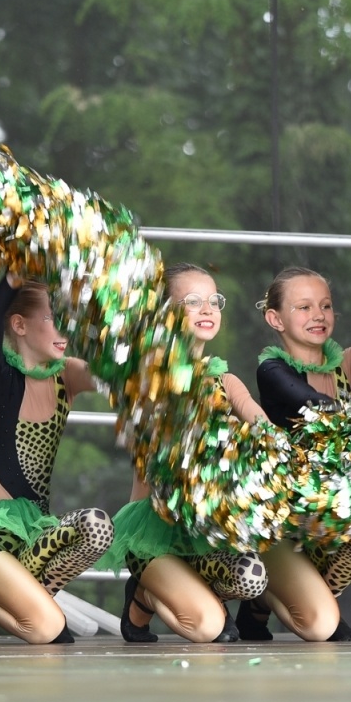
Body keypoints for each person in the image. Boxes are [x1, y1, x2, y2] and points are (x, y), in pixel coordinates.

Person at [0, 273, 114, 645]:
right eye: (54, 318)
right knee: (46, 629)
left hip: (35, 536)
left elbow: (119, 373)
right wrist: (11, 277)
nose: (66, 329)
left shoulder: (68, 375)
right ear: (19, 324)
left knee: (97, 528)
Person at [104, 263, 270, 644]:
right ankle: (145, 593)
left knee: (251, 577)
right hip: (154, 532)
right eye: (193, 301)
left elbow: (263, 427)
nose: (208, 309)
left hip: (208, 530)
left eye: (215, 301)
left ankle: (176, 591)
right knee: (208, 628)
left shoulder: (226, 381)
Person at [250, 266, 351, 641]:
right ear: (274, 318)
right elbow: (312, 403)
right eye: (304, 307)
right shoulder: (272, 368)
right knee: (318, 626)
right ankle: (261, 601)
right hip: (287, 519)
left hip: (333, 515)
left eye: (325, 306)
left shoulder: (349, 363)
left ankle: (315, 597)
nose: (318, 316)